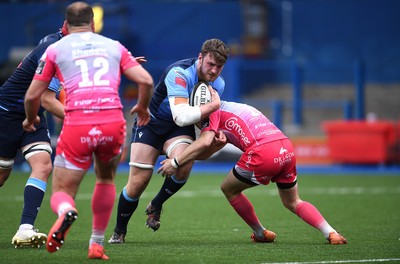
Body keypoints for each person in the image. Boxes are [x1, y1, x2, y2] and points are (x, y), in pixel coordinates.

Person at [23, 1, 154, 260]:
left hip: (77, 124)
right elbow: (146, 80)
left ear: (66, 25)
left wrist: (30, 120)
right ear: (93, 23)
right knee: (105, 179)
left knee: (62, 191)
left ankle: (65, 212)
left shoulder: (54, 49)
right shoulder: (114, 46)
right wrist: (142, 106)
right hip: (112, 123)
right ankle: (96, 244)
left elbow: (32, 97)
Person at [157, 100, 348, 245]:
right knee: (293, 201)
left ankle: (259, 233)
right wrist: (216, 147)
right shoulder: (232, 107)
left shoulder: (210, 115)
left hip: (263, 152)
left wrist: (176, 162)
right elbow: (205, 151)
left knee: (229, 189)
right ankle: (331, 232)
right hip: (286, 147)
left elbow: (202, 145)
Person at [108, 38, 229, 244]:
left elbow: (197, 120)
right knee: (138, 182)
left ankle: (156, 205)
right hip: (151, 123)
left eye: (219, 66)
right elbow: (181, 115)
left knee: (184, 163)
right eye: (211, 64)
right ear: (200, 58)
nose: (215, 70)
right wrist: (215, 105)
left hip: (177, 129)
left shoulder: (218, 84)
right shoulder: (179, 73)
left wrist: (212, 132)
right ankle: (119, 231)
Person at [0, 20, 67, 248]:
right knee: (2, 176)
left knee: (43, 165)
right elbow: (48, 99)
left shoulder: (58, 42)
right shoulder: (54, 50)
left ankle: (25, 229)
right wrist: (80, 119)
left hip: (33, 115)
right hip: (7, 113)